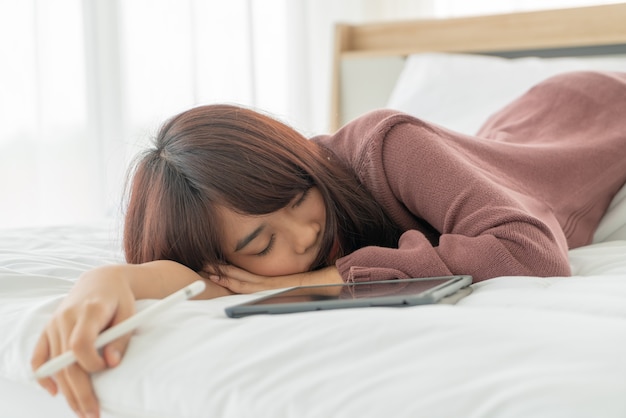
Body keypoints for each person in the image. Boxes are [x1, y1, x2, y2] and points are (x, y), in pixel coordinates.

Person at [31, 70, 626, 417]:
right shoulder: (228, 246)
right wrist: (109, 281)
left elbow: (529, 252)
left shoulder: (390, 144)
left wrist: (322, 278)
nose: (305, 233)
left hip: (595, 106)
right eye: (262, 242)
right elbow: (206, 280)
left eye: (297, 199)